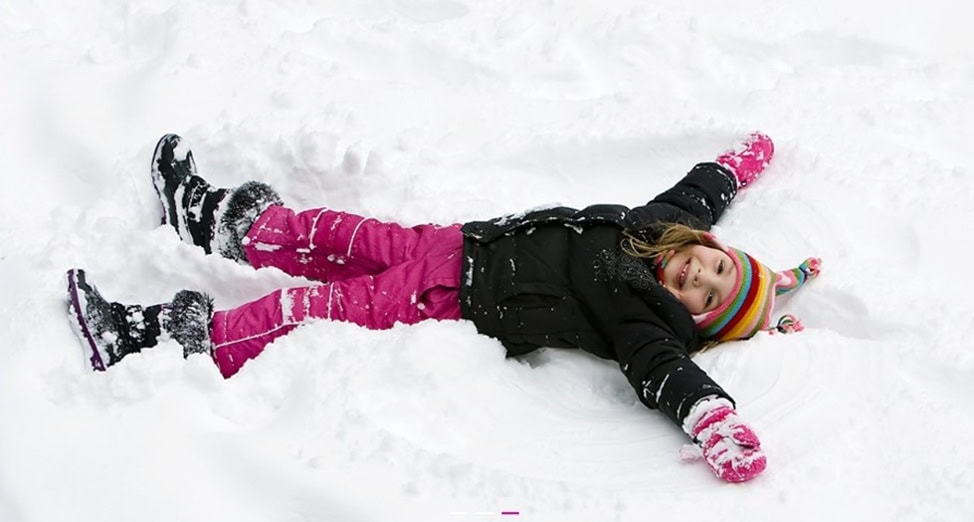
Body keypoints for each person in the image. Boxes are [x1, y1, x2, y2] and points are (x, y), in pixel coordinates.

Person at [65, 131, 821, 483]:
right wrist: (737, 164)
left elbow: (664, 373)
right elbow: (701, 192)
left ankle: (151, 337)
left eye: (706, 297)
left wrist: (714, 417)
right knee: (324, 231)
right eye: (716, 265)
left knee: (308, 307)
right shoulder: (658, 225)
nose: (699, 274)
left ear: (690, 317)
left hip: (449, 293)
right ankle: (213, 217)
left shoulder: (643, 322)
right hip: (454, 243)